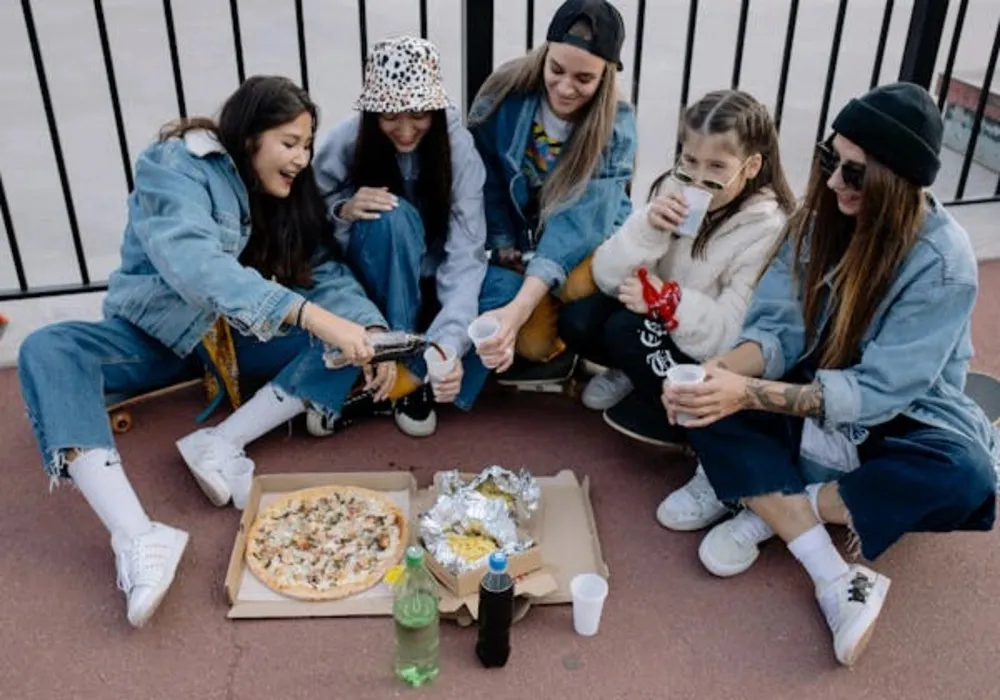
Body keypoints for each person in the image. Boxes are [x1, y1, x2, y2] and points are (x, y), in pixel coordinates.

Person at [17, 76, 391, 627]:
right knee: (47, 349)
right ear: (248, 138)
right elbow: (195, 265)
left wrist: (367, 330)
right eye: (289, 143)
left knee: (352, 343)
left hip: (233, 344)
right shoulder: (175, 165)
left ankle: (219, 444)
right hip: (156, 335)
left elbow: (322, 273)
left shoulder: (287, 195)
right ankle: (140, 538)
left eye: (307, 146)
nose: (302, 158)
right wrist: (314, 316)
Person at [662, 83, 999, 666]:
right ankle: (834, 575)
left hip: (896, 416)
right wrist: (716, 375)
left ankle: (777, 506)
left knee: (967, 479)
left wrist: (748, 393)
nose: (836, 182)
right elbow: (777, 334)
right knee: (706, 400)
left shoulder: (945, 263)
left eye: (856, 173)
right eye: (829, 160)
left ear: (899, 184)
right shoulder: (816, 223)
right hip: (810, 392)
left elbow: (876, 392)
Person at [563, 91, 793, 499]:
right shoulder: (676, 184)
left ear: (752, 165)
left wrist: (666, 302)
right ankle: (637, 376)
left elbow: (729, 334)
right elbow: (606, 274)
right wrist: (649, 226)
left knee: (623, 329)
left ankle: (680, 420)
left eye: (717, 167)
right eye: (690, 160)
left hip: (705, 347)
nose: (698, 178)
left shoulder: (767, 227)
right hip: (655, 311)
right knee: (578, 320)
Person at [314, 36, 488, 438]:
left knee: (503, 288)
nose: (406, 131)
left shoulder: (458, 148)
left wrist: (451, 341)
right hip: (370, 276)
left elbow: (467, 252)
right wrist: (342, 209)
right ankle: (397, 366)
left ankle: (405, 374)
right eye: (391, 116)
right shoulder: (348, 137)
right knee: (390, 218)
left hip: (431, 282)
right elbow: (308, 216)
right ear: (373, 112)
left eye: (418, 114)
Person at [464, 0, 637, 399]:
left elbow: (578, 226)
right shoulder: (506, 91)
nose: (564, 87)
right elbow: (484, 174)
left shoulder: (618, 126)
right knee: (534, 346)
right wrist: (504, 239)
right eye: (556, 69)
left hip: (584, 239)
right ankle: (552, 331)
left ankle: (584, 333)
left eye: (584, 78)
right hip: (524, 240)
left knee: (574, 288)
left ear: (606, 76)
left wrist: (522, 304)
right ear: (544, 54)